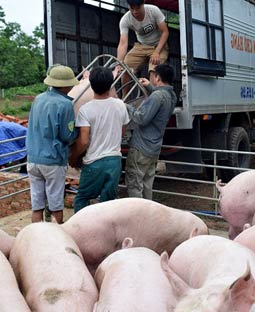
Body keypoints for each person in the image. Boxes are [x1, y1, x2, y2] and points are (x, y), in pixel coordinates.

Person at [71, 67, 130, 212]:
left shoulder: (86, 110)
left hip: (94, 162)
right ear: (111, 84)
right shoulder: (120, 105)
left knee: (83, 198)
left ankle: (79, 232)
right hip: (114, 161)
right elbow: (122, 132)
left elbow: (84, 141)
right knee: (108, 203)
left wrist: (73, 157)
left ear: (90, 84)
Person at [26, 65, 78, 223]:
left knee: (37, 205)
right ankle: (57, 238)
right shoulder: (65, 104)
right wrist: (78, 133)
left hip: (33, 159)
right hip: (53, 161)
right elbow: (66, 135)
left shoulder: (38, 98)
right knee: (56, 204)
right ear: (64, 85)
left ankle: (36, 236)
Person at [125, 63, 177, 199]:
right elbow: (159, 96)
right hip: (154, 147)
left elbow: (141, 118)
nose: (152, 78)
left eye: (153, 76)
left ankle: (137, 216)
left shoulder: (157, 96)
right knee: (147, 183)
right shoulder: (171, 95)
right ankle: (148, 215)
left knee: (135, 183)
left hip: (141, 147)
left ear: (158, 78)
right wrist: (149, 86)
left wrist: (125, 106)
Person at [117, 0, 169, 95]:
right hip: (141, 46)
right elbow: (123, 43)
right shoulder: (125, 20)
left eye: (138, 8)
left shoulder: (153, 11)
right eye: (132, 8)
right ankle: (125, 100)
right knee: (125, 68)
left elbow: (165, 32)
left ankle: (153, 99)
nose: (135, 12)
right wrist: (119, 64)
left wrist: (157, 52)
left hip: (158, 46)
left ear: (143, 3)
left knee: (154, 69)